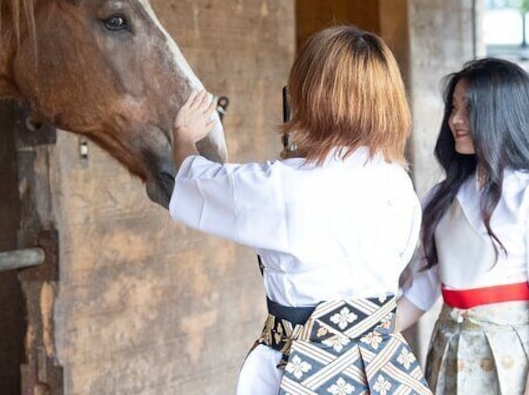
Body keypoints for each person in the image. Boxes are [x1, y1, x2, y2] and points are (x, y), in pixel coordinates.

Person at [170, 25, 430, 395]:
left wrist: (183, 134)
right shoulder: (397, 182)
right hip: (384, 367)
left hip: (304, 371)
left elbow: (193, 182)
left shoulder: (280, 186)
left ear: (310, 95)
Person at [398, 57, 529, 395]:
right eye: (453, 107)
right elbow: (421, 291)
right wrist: (364, 340)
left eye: (468, 108)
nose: (454, 120)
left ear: (503, 114)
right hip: (450, 352)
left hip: (515, 360)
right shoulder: (440, 197)